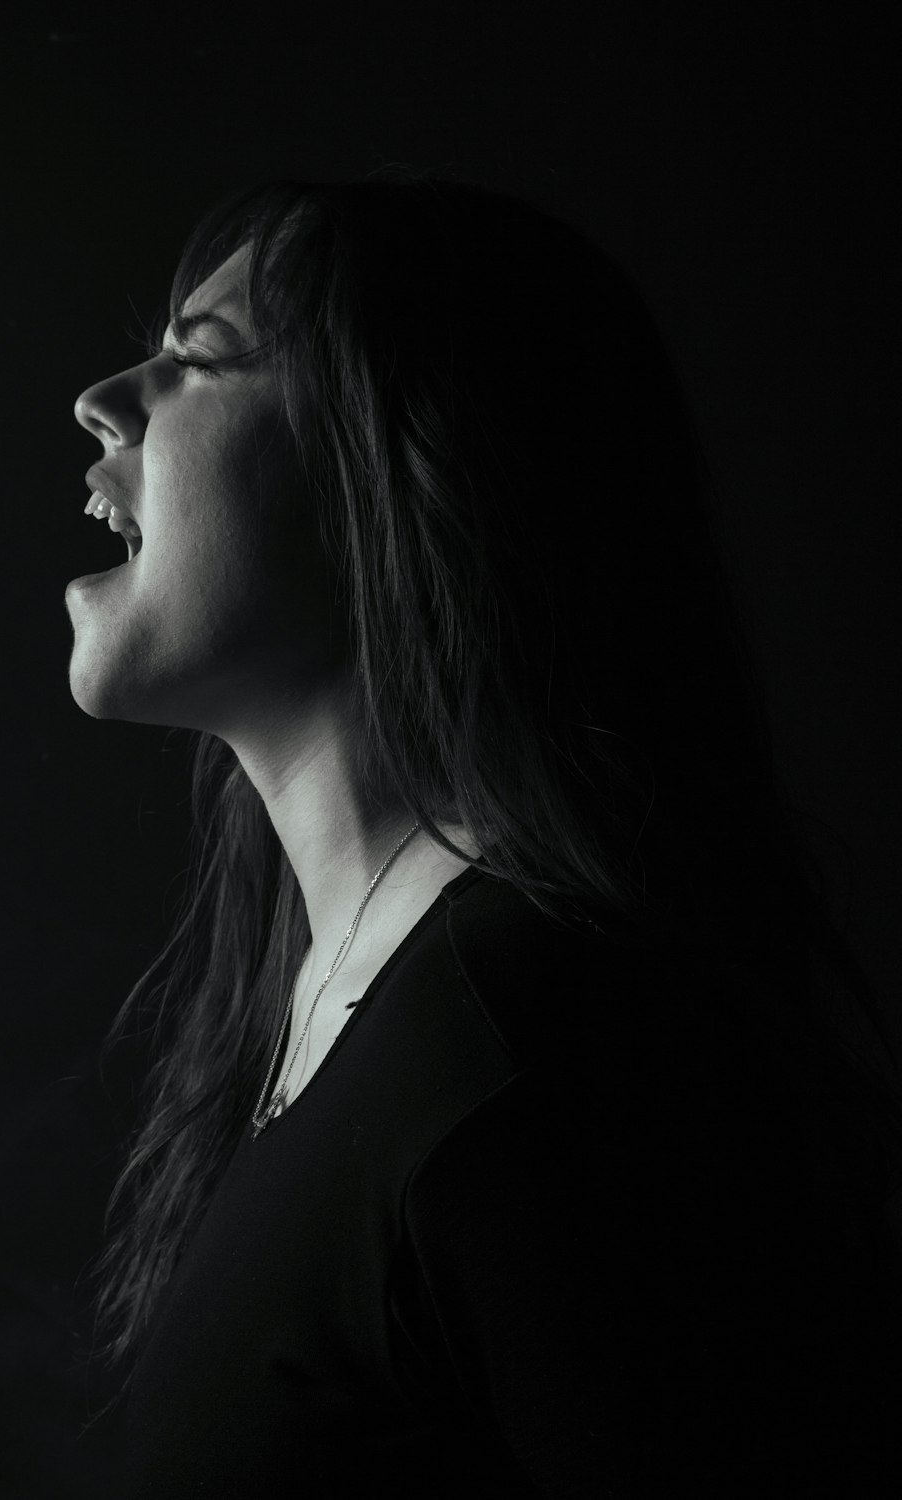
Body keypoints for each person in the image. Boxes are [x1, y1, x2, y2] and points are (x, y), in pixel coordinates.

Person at [66, 172, 902, 1497]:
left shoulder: (547, 1048)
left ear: (398, 467)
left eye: (198, 359)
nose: (102, 399)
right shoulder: (334, 1021)